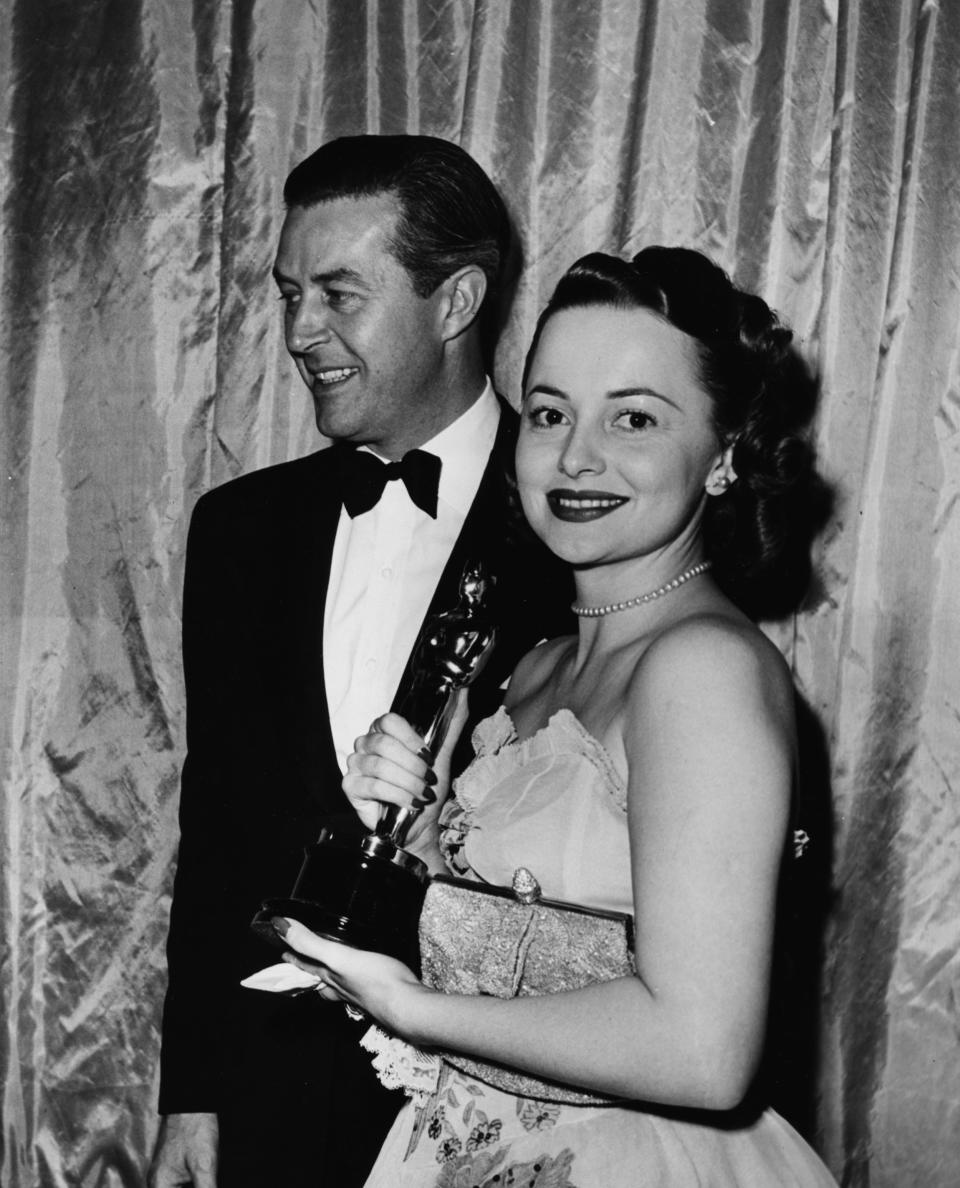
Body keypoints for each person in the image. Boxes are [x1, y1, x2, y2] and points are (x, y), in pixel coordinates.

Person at [276, 247, 840, 1185]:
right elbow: (535, 940)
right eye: (549, 414)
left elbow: (704, 1050)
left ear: (727, 453)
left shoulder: (701, 668)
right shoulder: (536, 667)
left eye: (633, 419)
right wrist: (409, 841)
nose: (576, 457)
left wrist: (413, 1009)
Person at [149, 135, 571, 1188]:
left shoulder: (581, 528)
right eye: (291, 293)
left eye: (340, 294)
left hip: (493, 1103)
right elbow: (217, 831)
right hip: (266, 1101)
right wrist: (193, 1095)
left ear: (458, 300)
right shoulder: (237, 530)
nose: (299, 333)